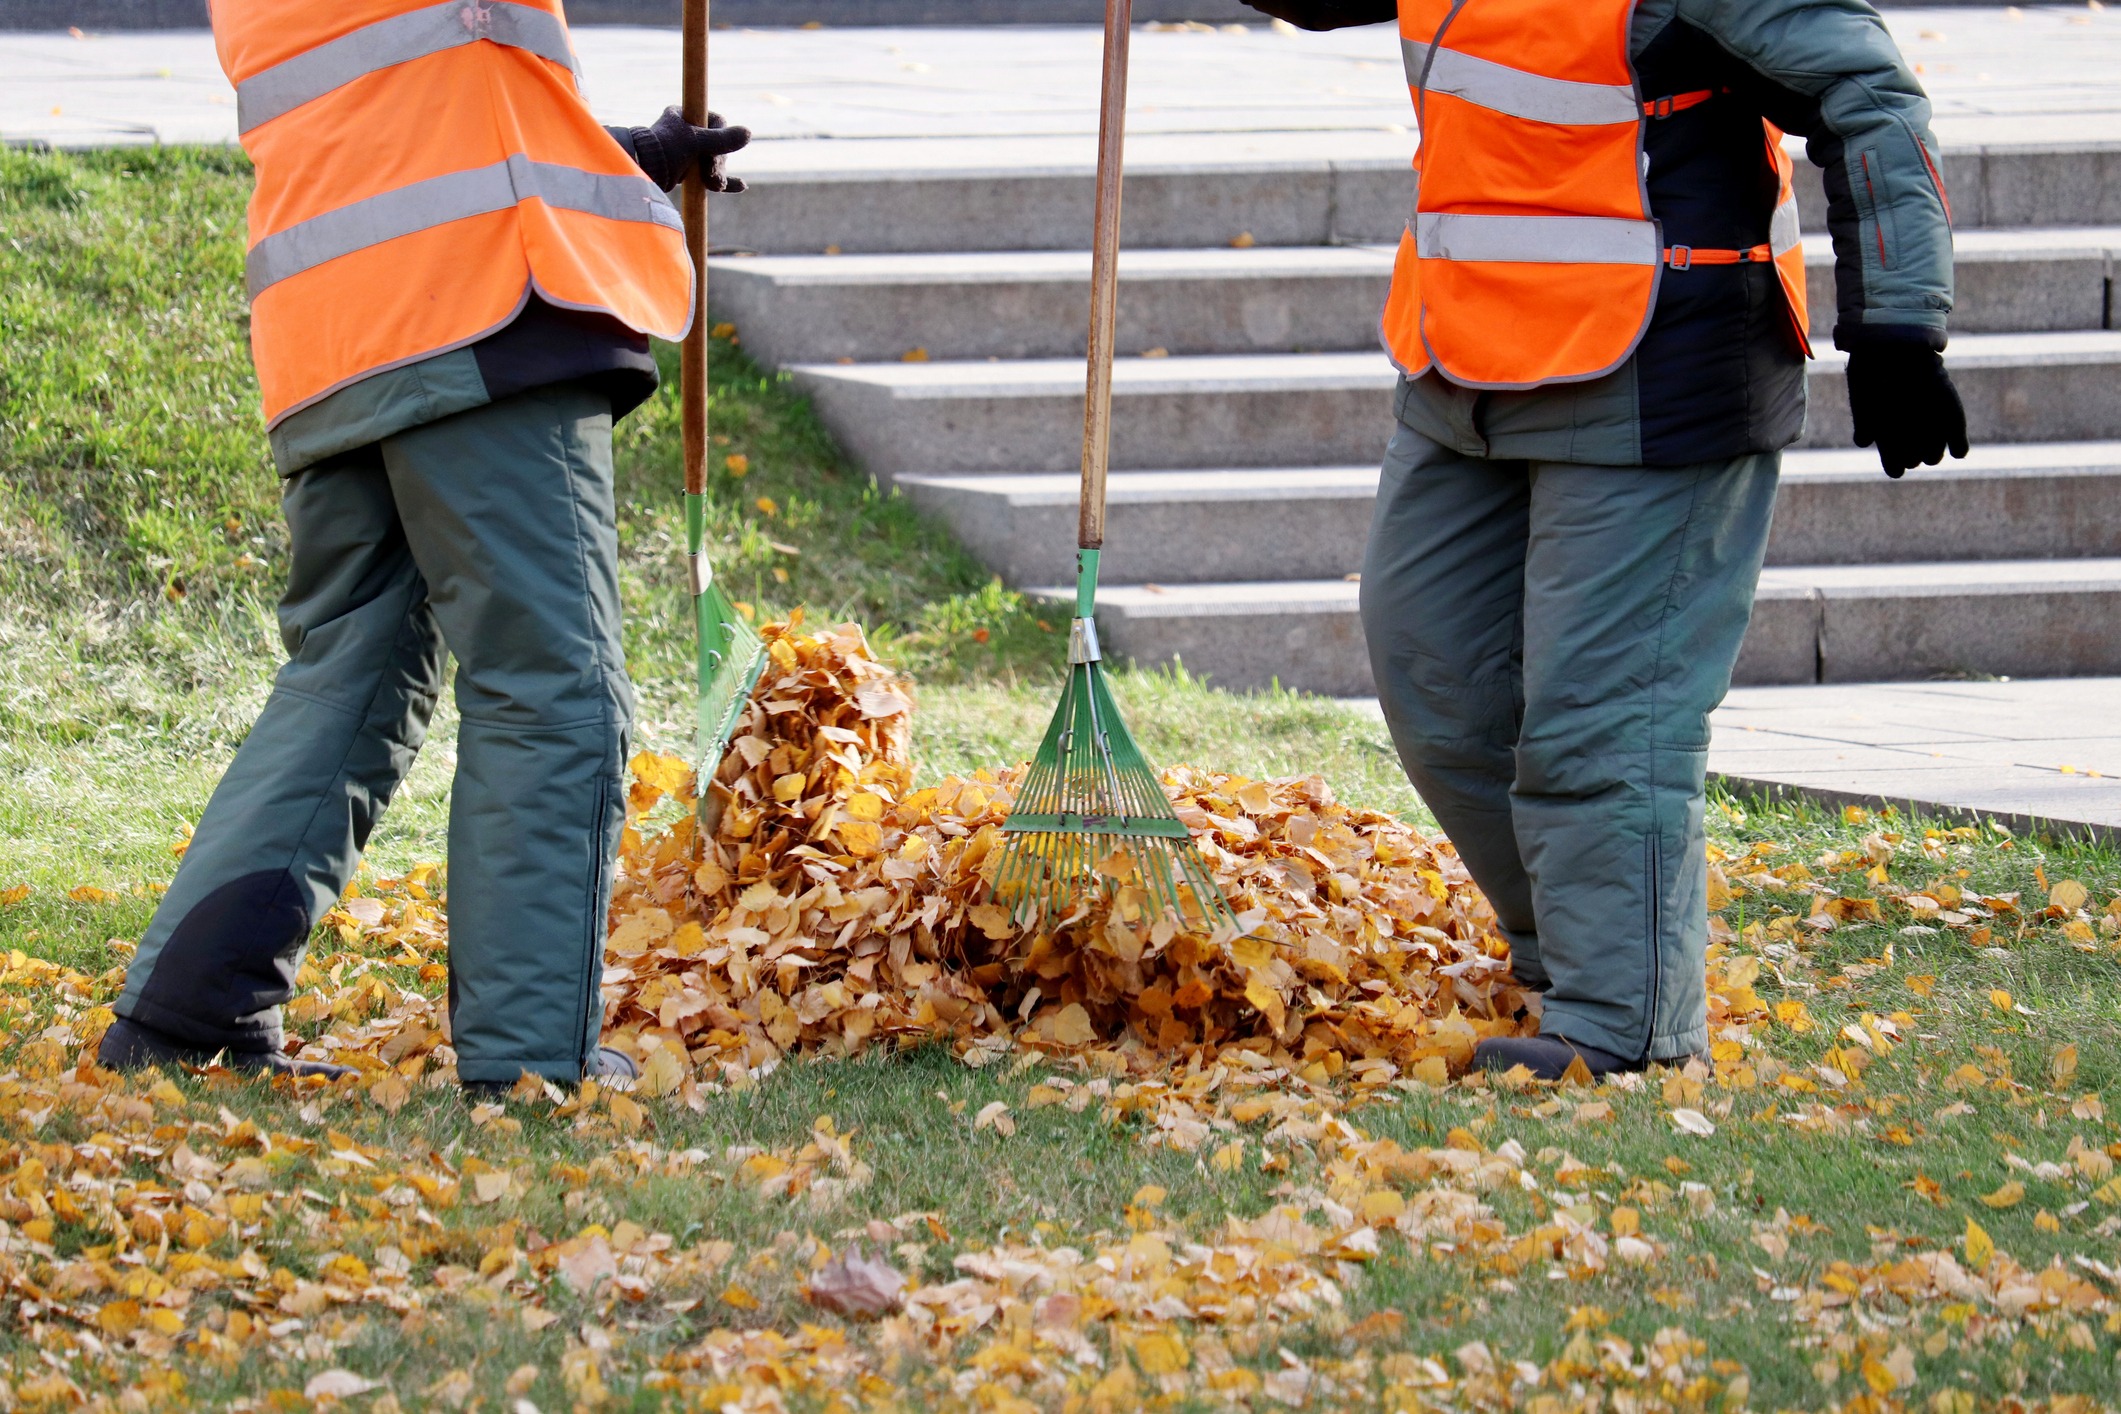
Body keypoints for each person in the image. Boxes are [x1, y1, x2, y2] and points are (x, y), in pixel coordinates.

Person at [1244, 0, 1966, 1078]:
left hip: (1662, 362)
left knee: (1602, 722)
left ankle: (1623, 1027)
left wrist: (1899, 325)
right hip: (1467, 355)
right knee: (1437, 681)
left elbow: (1869, 92)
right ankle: (1580, 958)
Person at [96, 0, 748, 1093]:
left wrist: (607, 156)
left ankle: (187, 1012)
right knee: (555, 683)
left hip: (333, 324)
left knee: (348, 678)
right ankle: (535, 1065)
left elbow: (411, 86)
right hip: (476, 303)